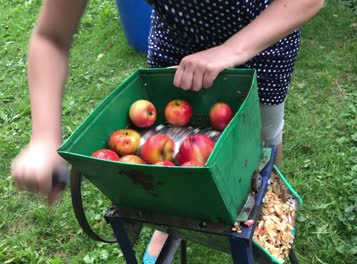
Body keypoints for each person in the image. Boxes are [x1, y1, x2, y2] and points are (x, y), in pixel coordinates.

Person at [10, 0, 324, 263]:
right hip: (179, 43)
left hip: (263, 34)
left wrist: (229, 51)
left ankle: (265, 213)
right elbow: (51, 36)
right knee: (172, 148)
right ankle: (173, 219)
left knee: (261, 142)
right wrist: (43, 138)